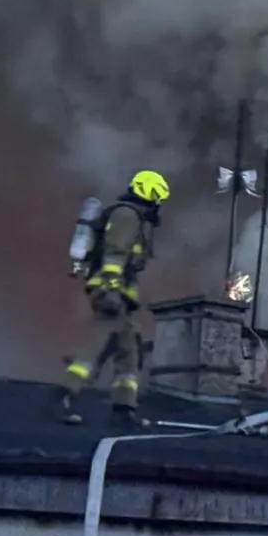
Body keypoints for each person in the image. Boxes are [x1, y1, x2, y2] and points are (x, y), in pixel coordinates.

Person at [58, 170, 169, 427]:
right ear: (149, 193)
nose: (158, 206)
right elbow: (114, 252)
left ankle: (123, 410)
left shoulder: (134, 218)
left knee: (129, 351)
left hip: (121, 297)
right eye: (157, 198)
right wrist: (111, 288)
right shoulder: (127, 215)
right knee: (96, 344)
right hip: (111, 292)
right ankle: (62, 396)